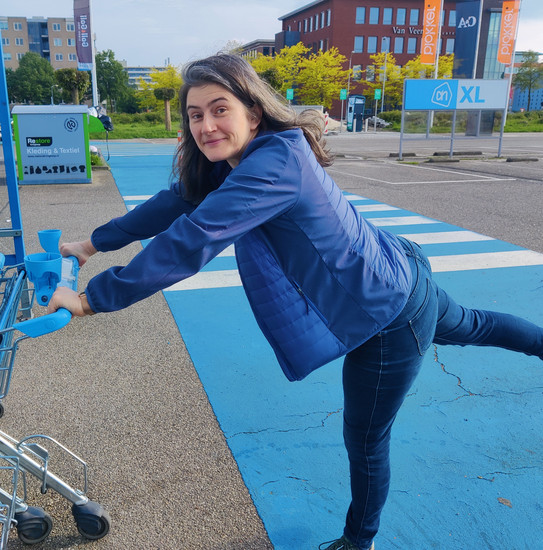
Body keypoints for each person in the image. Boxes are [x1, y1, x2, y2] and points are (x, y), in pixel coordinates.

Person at [48, 54, 543, 550]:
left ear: (253, 111)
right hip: (399, 276)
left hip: (387, 318)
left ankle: (358, 541)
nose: (206, 125)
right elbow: (173, 204)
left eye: (220, 109)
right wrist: (91, 245)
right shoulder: (236, 160)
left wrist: (92, 300)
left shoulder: (272, 164)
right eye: (195, 115)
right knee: (475, 325)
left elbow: (192, 239)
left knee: (366, 440)